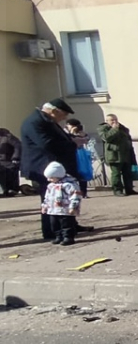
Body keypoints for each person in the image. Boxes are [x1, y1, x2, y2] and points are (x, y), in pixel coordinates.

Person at [20, 98, 79, 241]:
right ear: (53, 111)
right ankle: (52, 231)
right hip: (43, 168)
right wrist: (73, 144)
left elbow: (60, 138)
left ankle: (70, 225)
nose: (64, 118)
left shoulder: (47, 121)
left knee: (63, 197)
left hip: (53, 166)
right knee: (51, 200)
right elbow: (47, 143)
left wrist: (72, 139)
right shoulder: (35, 122)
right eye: (63, 115)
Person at [41, 161, 82, 245]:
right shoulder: (50, 186)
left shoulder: (69, 185)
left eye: (51, 177)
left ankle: (68, 237)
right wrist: (45, 206)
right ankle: (58, 236)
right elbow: (47, 197)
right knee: (54, 224)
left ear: (58, 176)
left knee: (67, 224)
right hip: (53, 209)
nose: (49, 180)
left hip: (65, 209)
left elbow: (75, 196)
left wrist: (73, 206)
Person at [98, 114, 138, 196]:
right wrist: (114, 129)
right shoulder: (103, 128)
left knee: (127, 173)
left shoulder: (122, 128)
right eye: (112, 120)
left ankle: (129, 189)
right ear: (107, 121)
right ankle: (117, 190)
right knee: (116, 174)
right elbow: (107, 137)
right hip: (114, 155)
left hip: (126, 154)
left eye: (115, 119)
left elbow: (128, 137)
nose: (114, 121)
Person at [64, 119, 94, 199]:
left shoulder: (81, 133)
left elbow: (87, 140)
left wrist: (82, 134)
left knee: (83, 172)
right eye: (71, 125)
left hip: (81, 153)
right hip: (71, 154)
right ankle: (70, 193)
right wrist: (71, 133)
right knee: (71, 174)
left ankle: (84, 192)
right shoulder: (64, 132)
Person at [0, 127, 21, 197]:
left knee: (7, 170)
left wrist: (15, 157)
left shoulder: (6, 136)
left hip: (8, 161)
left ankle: (10, 189)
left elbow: (18, 145)